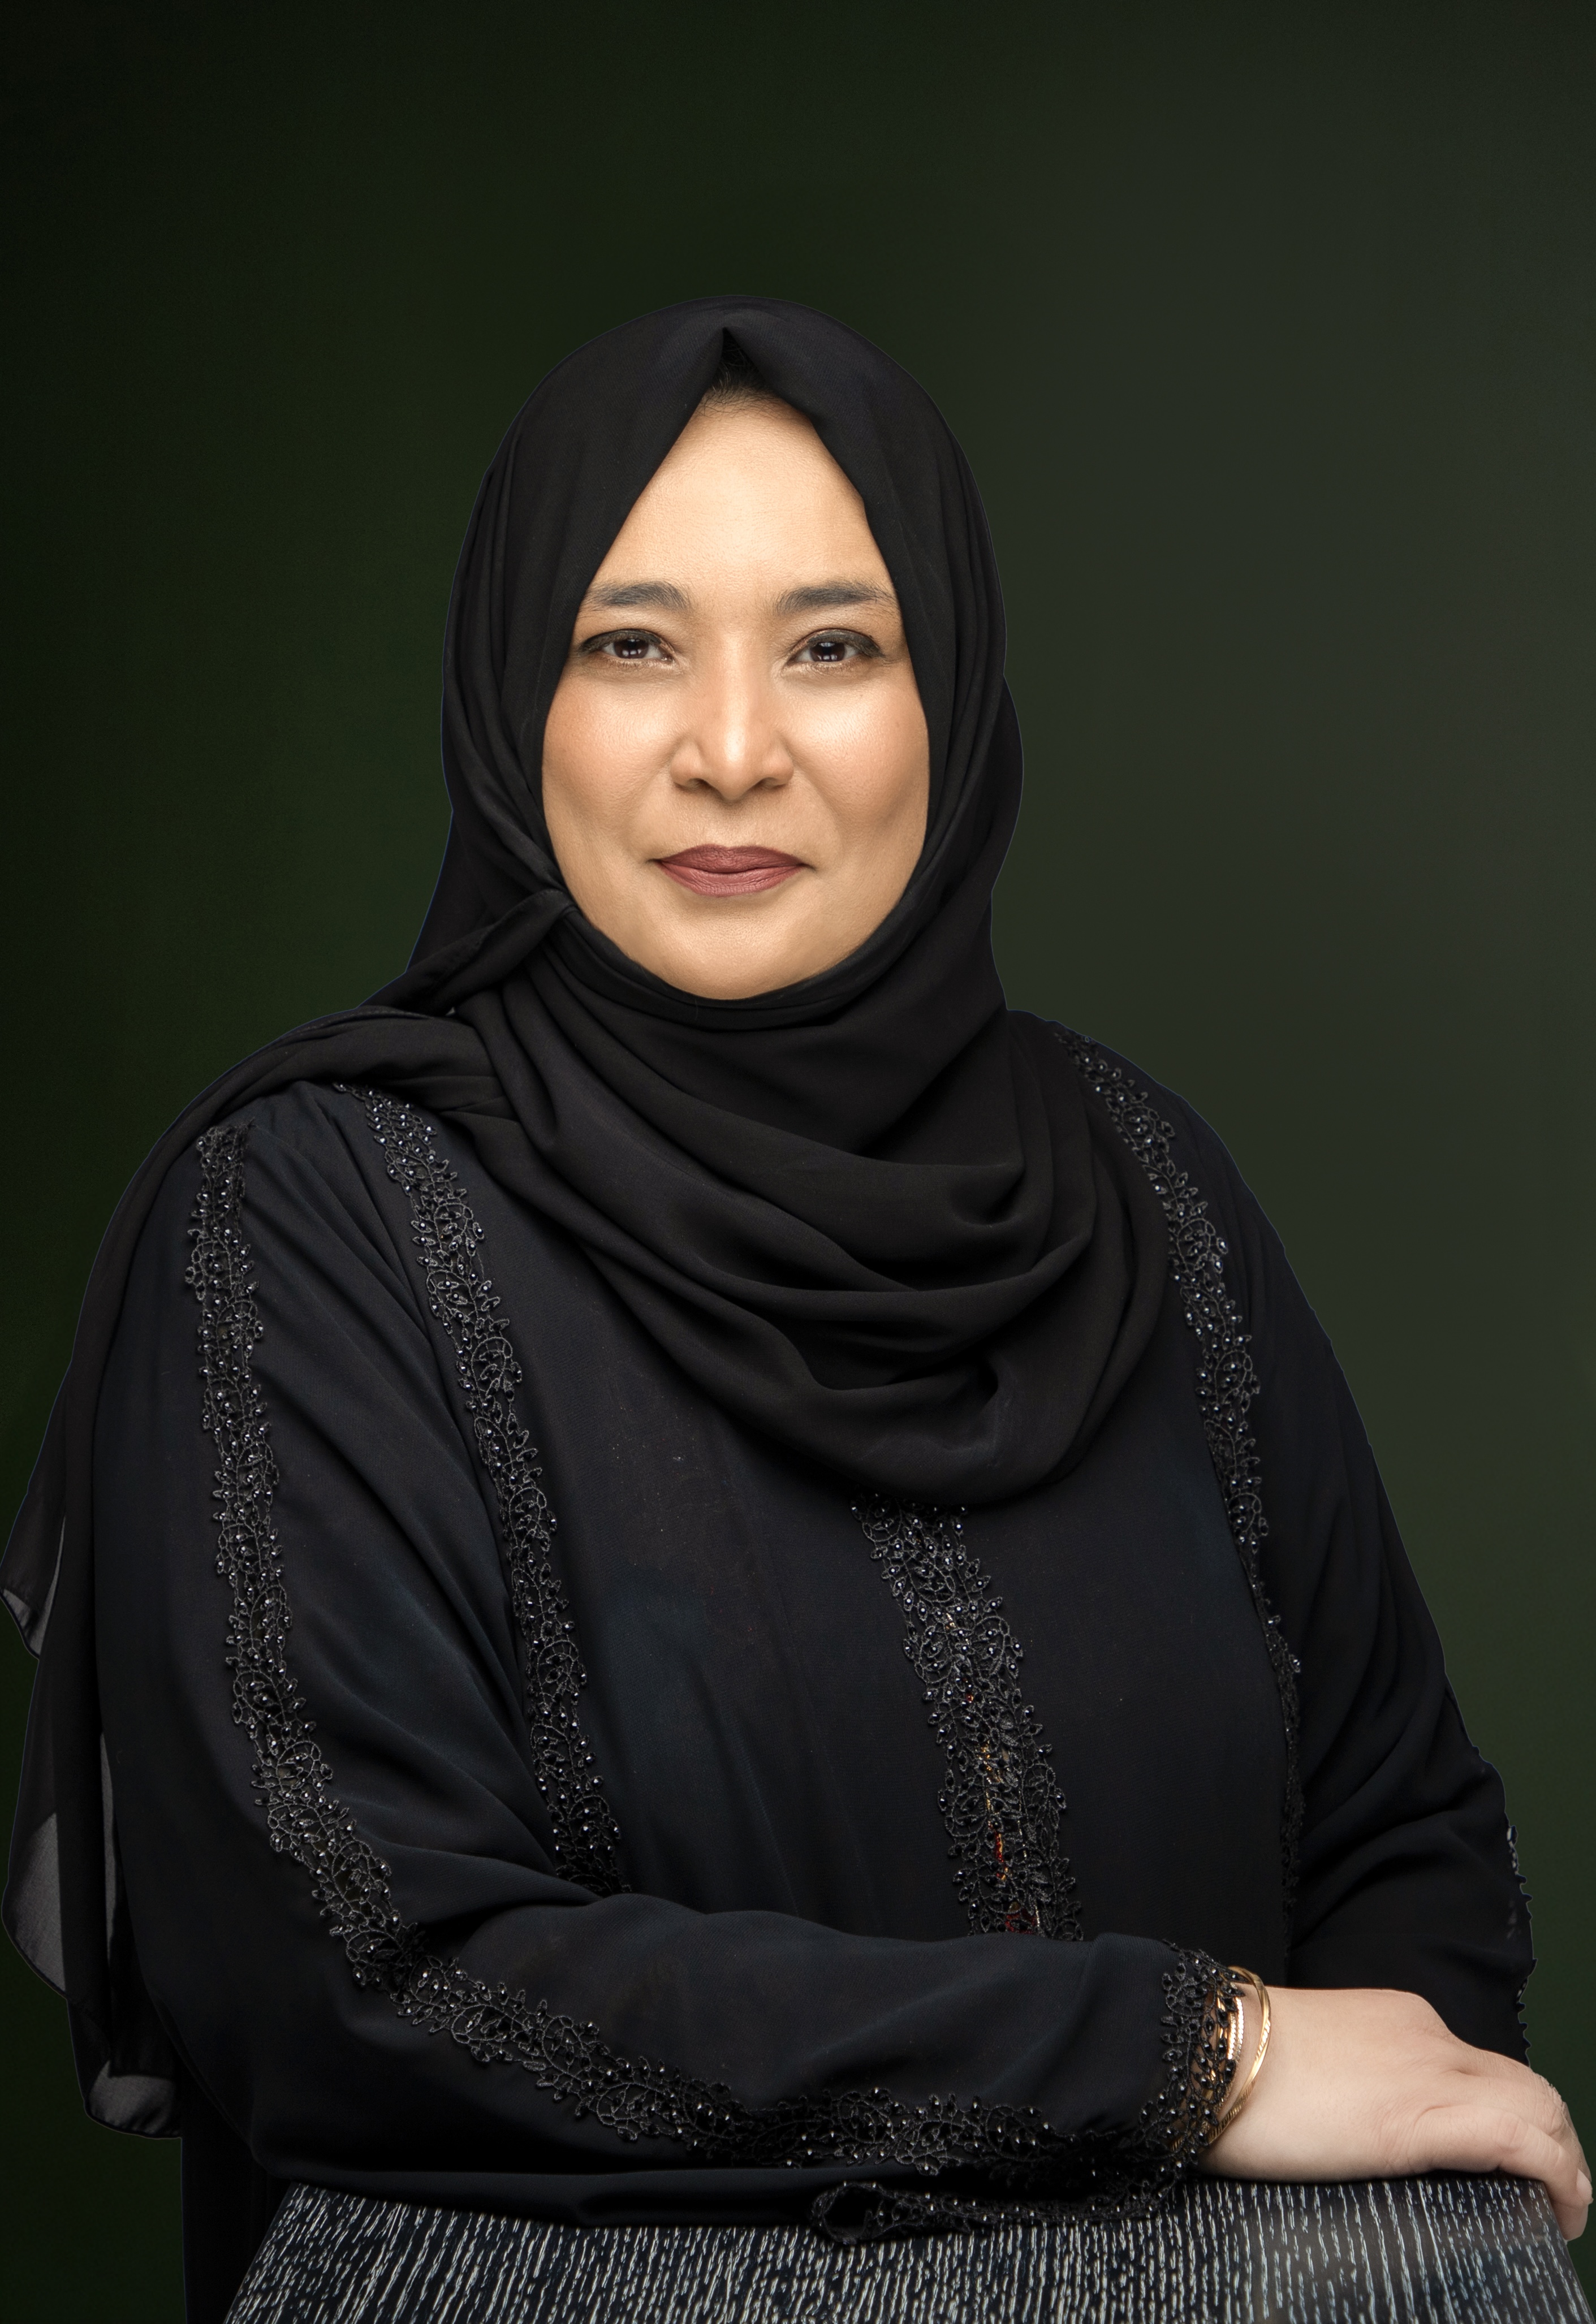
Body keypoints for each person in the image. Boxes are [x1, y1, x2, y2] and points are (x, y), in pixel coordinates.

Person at [3, 297, 1586, 2324]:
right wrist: (1201, 2061)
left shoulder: (1144, 1185)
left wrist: (1391, 2197)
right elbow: (368, 1976)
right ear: (512, 697)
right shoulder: (310, 1218)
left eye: (834, 647)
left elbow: (1403, 1829)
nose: (733, 748)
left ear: (954, 698)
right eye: (629, 644)